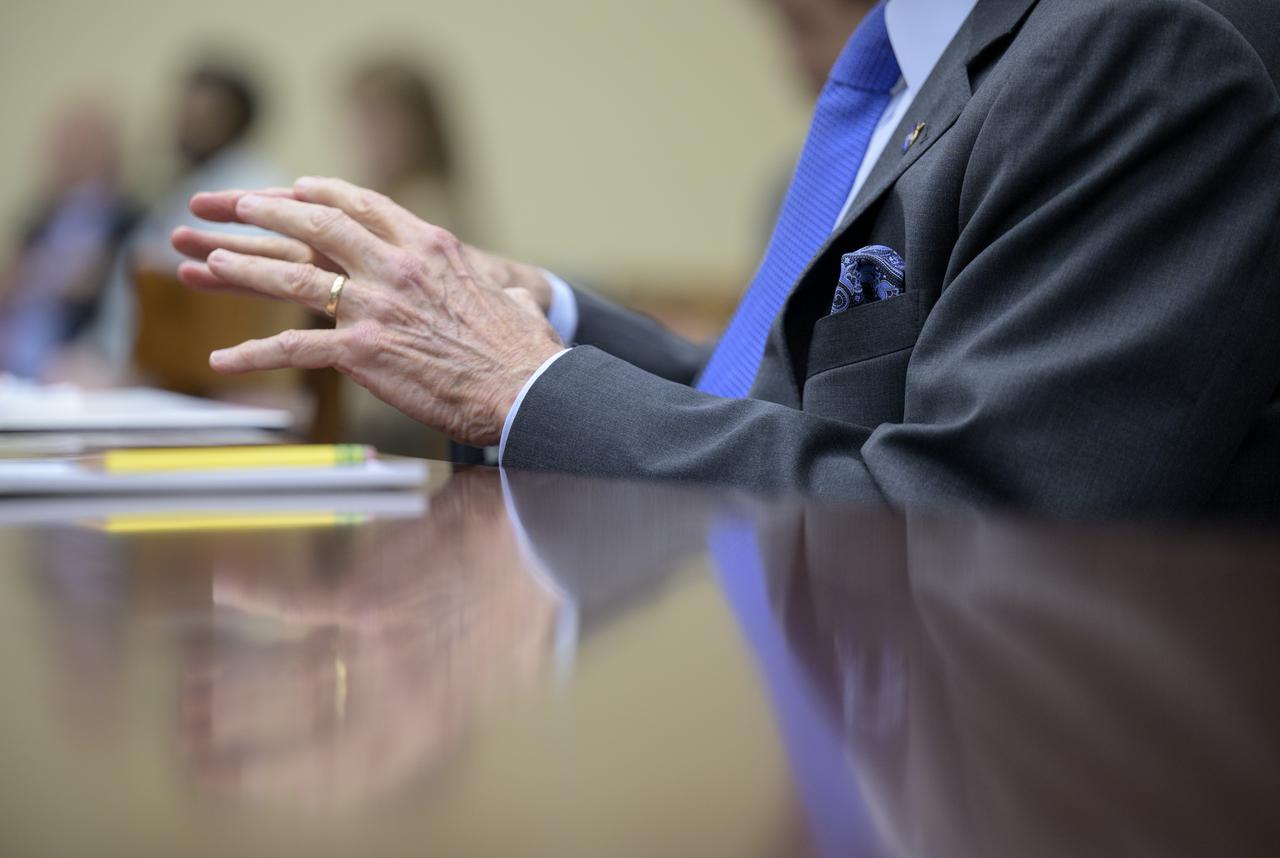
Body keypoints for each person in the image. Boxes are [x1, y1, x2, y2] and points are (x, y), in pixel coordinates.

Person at [174, 0, 1280, 517]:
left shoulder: (1136, 44)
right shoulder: (922, 64)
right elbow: (792, 406)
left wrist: (525, 387)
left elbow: (971, 523)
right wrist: (547, 323)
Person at [77, 61, 285, 380]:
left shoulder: (249, 192)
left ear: (236, 121)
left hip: (175, 379)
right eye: (182, 112)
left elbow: (218, 316)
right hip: (129, 368)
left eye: (201, 115)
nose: (183, 125)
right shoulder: (188, 185)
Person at [0, 101, 138, 380]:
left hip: (75, 355)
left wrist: (40, 272)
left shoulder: (127, 217)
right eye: (64, 142)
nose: (69, 152)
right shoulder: (42, 214)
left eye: (82, 142)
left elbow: (88, 284)